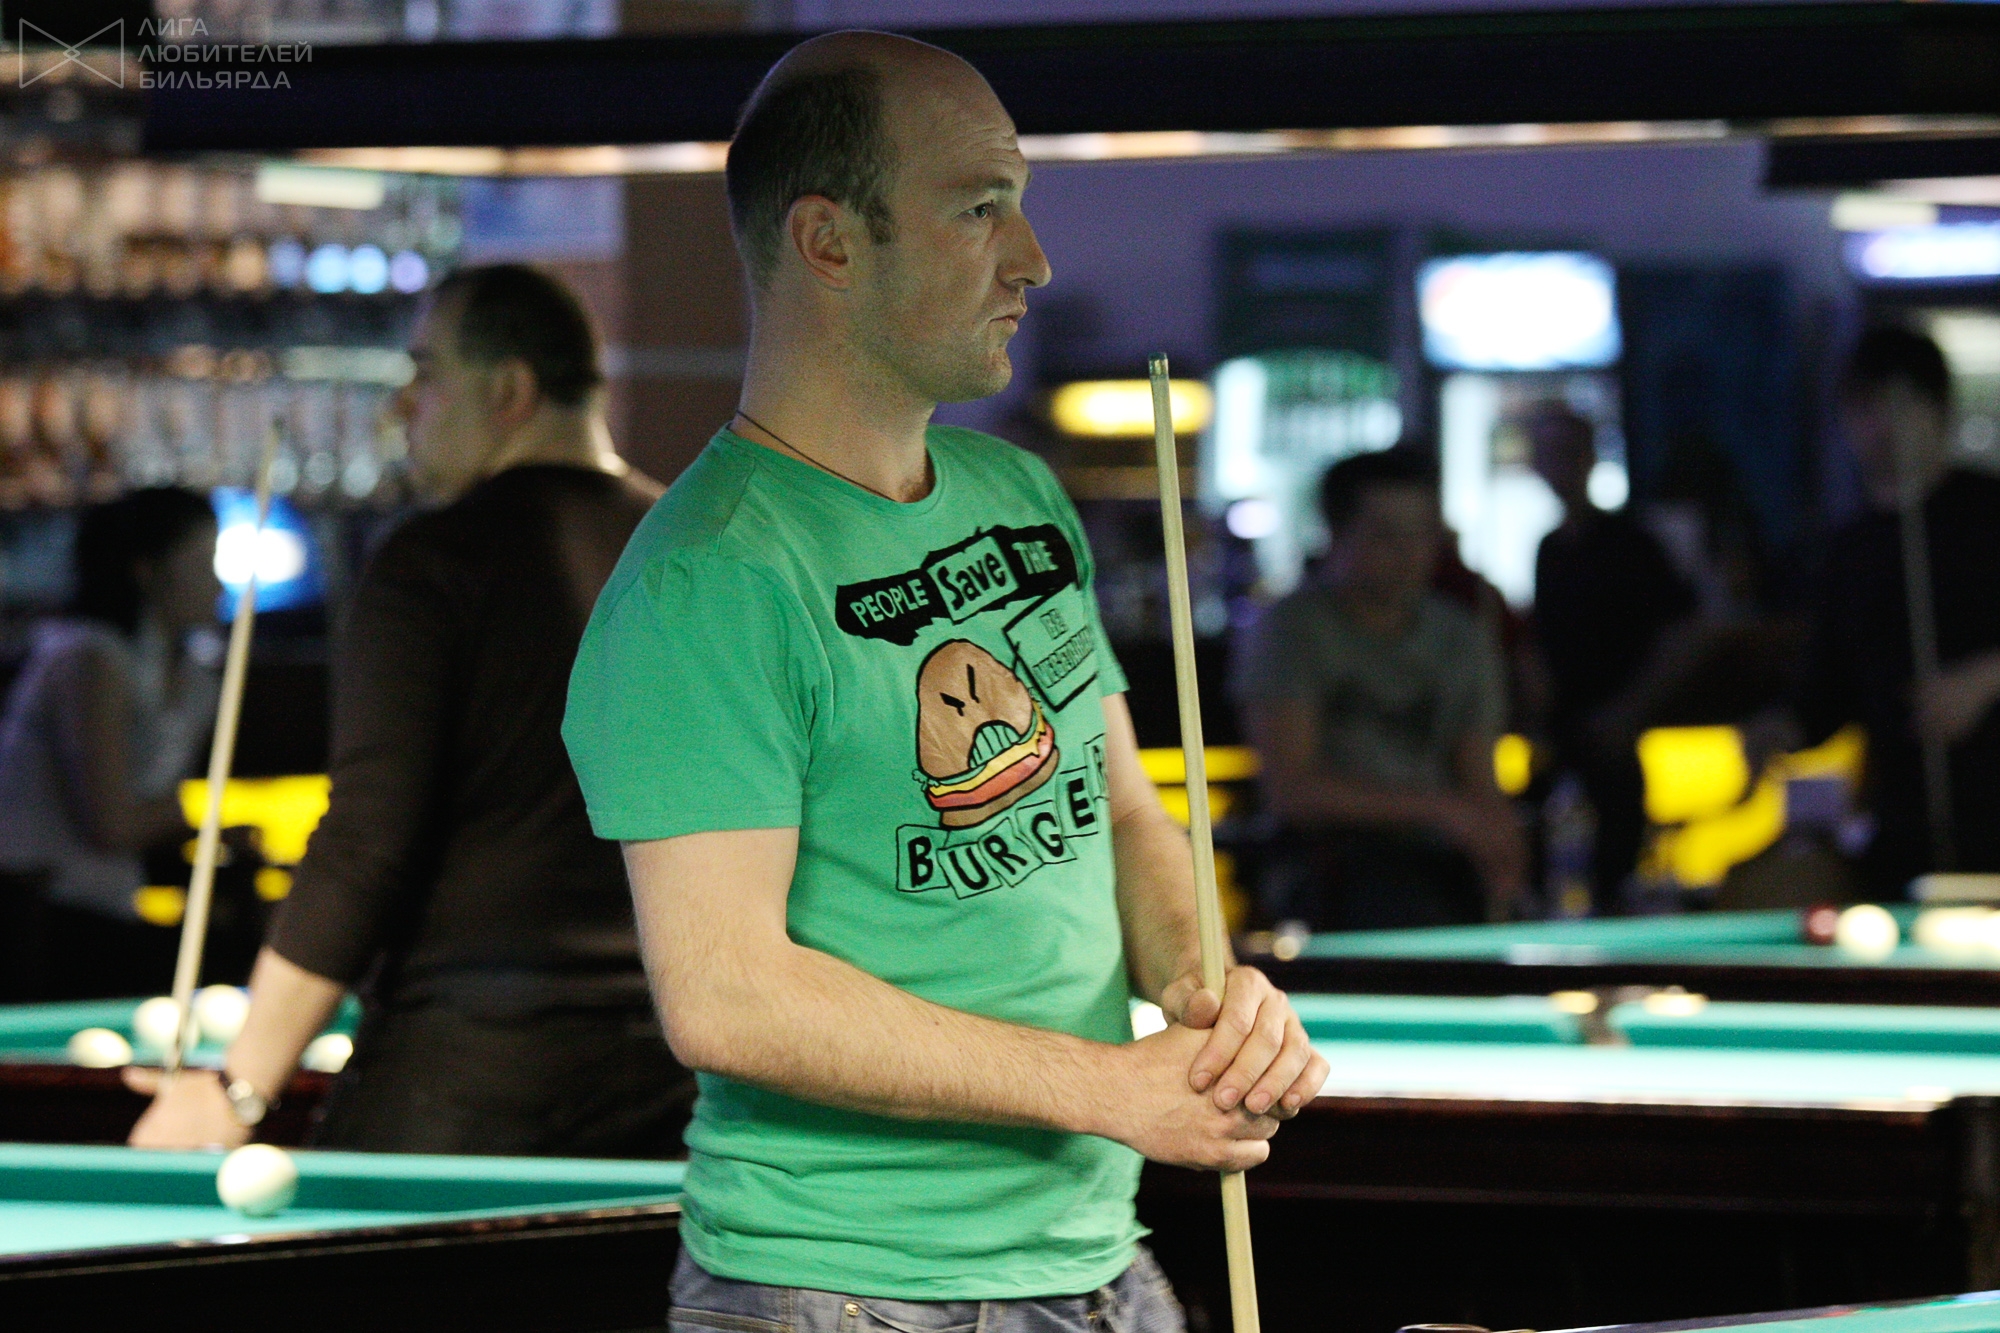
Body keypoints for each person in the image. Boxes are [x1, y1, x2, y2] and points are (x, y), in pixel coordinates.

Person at [561, 32, 1326, 1331]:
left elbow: (1120, 812)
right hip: (847, 1291)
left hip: (1096, 1261)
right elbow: (727, 995)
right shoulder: (708, 580)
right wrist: (1109, 1087)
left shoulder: (1017, 495)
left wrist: (1206, 989)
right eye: (980, 209)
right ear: (828, 241)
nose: (1031, 259)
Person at [129, 264, 693, 1156]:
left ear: (507, 390)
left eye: (425, 375)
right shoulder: (694, 549)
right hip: (680, 1076)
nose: (401, 409)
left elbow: (367, 839)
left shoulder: (432, 560)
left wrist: (240, 1087)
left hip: (472, 1076)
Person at [1234, 446, 1525, 930]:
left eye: (1422, 533)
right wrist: (1444, 812)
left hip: (1444, 866)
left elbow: (1479, 775)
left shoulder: (1460, 633)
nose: (1410, 553)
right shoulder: (1292, 629)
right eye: (1385, 535)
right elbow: (1291, 790)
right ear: (1336, 533)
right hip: (1326, 867)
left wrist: (1497, 842)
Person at [1798, 325, 2000, 896]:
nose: (1882, 425)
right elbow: (1826, 697)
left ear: (1940, 411)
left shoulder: (1991, 512)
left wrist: (1984, 680)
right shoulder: (1849, 550)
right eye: (1863, 407)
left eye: (1901, 404)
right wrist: (1775, 728)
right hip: (1904, 836)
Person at [0, 488, 218, 999]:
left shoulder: (192, 674)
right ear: (146, 571)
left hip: (102, 910)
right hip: (34, 921)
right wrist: (194, 815)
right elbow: (113, 825)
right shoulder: (87, 657)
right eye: (202, 562)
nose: (218, 583)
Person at [1529, 401, 1697, 909]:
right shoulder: (1549, 549)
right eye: (1546, 453)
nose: (1556, 465)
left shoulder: (1631, 543)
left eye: (1566, 452)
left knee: (1616, 875)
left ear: (1589, 458)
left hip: (1617, 736)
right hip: (1565, 736)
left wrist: (1629, 711)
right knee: (1543, 863)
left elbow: (1680, 633)